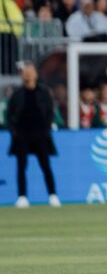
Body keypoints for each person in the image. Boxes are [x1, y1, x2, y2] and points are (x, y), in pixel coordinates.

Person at [7, 63, 60, 208]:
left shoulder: (44, 93)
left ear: (36, 74)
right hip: (22, 135)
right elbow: (10, 115)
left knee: (46, 166)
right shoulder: (17, 95)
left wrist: (46, 130)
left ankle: (53, 195)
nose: (28, 74)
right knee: (21, 167)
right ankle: (22, 197)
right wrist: (14, 132)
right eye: (25, 72)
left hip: (40, 135)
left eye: (30, 71)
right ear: (21, 75)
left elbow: (50, 113)